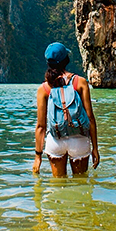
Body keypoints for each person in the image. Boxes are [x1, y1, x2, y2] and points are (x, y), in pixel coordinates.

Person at [33, 43, 100, 176]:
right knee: (81, 187)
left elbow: (41, 126)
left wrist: (38, 156)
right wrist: (95, 149)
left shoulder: (44, 89)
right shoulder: (80, 82)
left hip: (55, 141)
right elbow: (90, 117)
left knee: (57, 187)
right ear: (66, 60)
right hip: (79, 141)